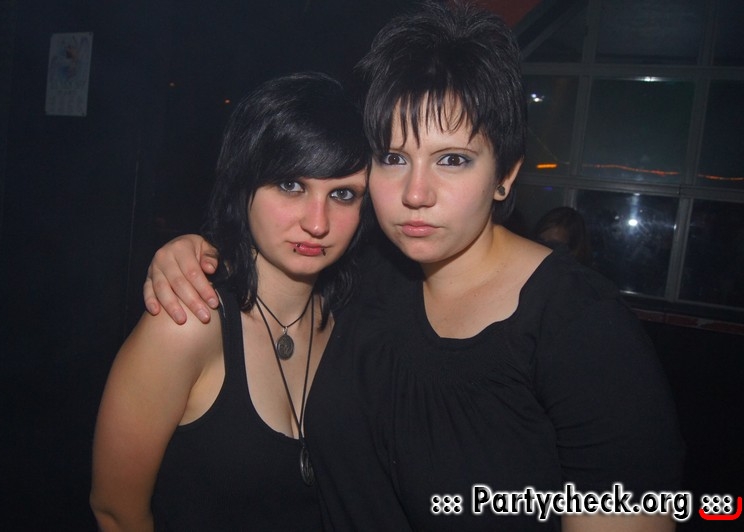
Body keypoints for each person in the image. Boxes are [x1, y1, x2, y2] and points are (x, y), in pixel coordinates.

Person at [141, 2, 684, 530]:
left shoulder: (581, 327)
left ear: (505, 175)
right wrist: (197, 251)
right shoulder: (361, 275)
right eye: (393, 158)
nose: (415, 193)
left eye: (453, 160)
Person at [89, 72, 370, 531]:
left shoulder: (356, 319)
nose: (318, 223)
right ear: (244, 185)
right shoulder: (186, 322)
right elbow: (116, 512)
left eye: (343, 194)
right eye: (291, 185)